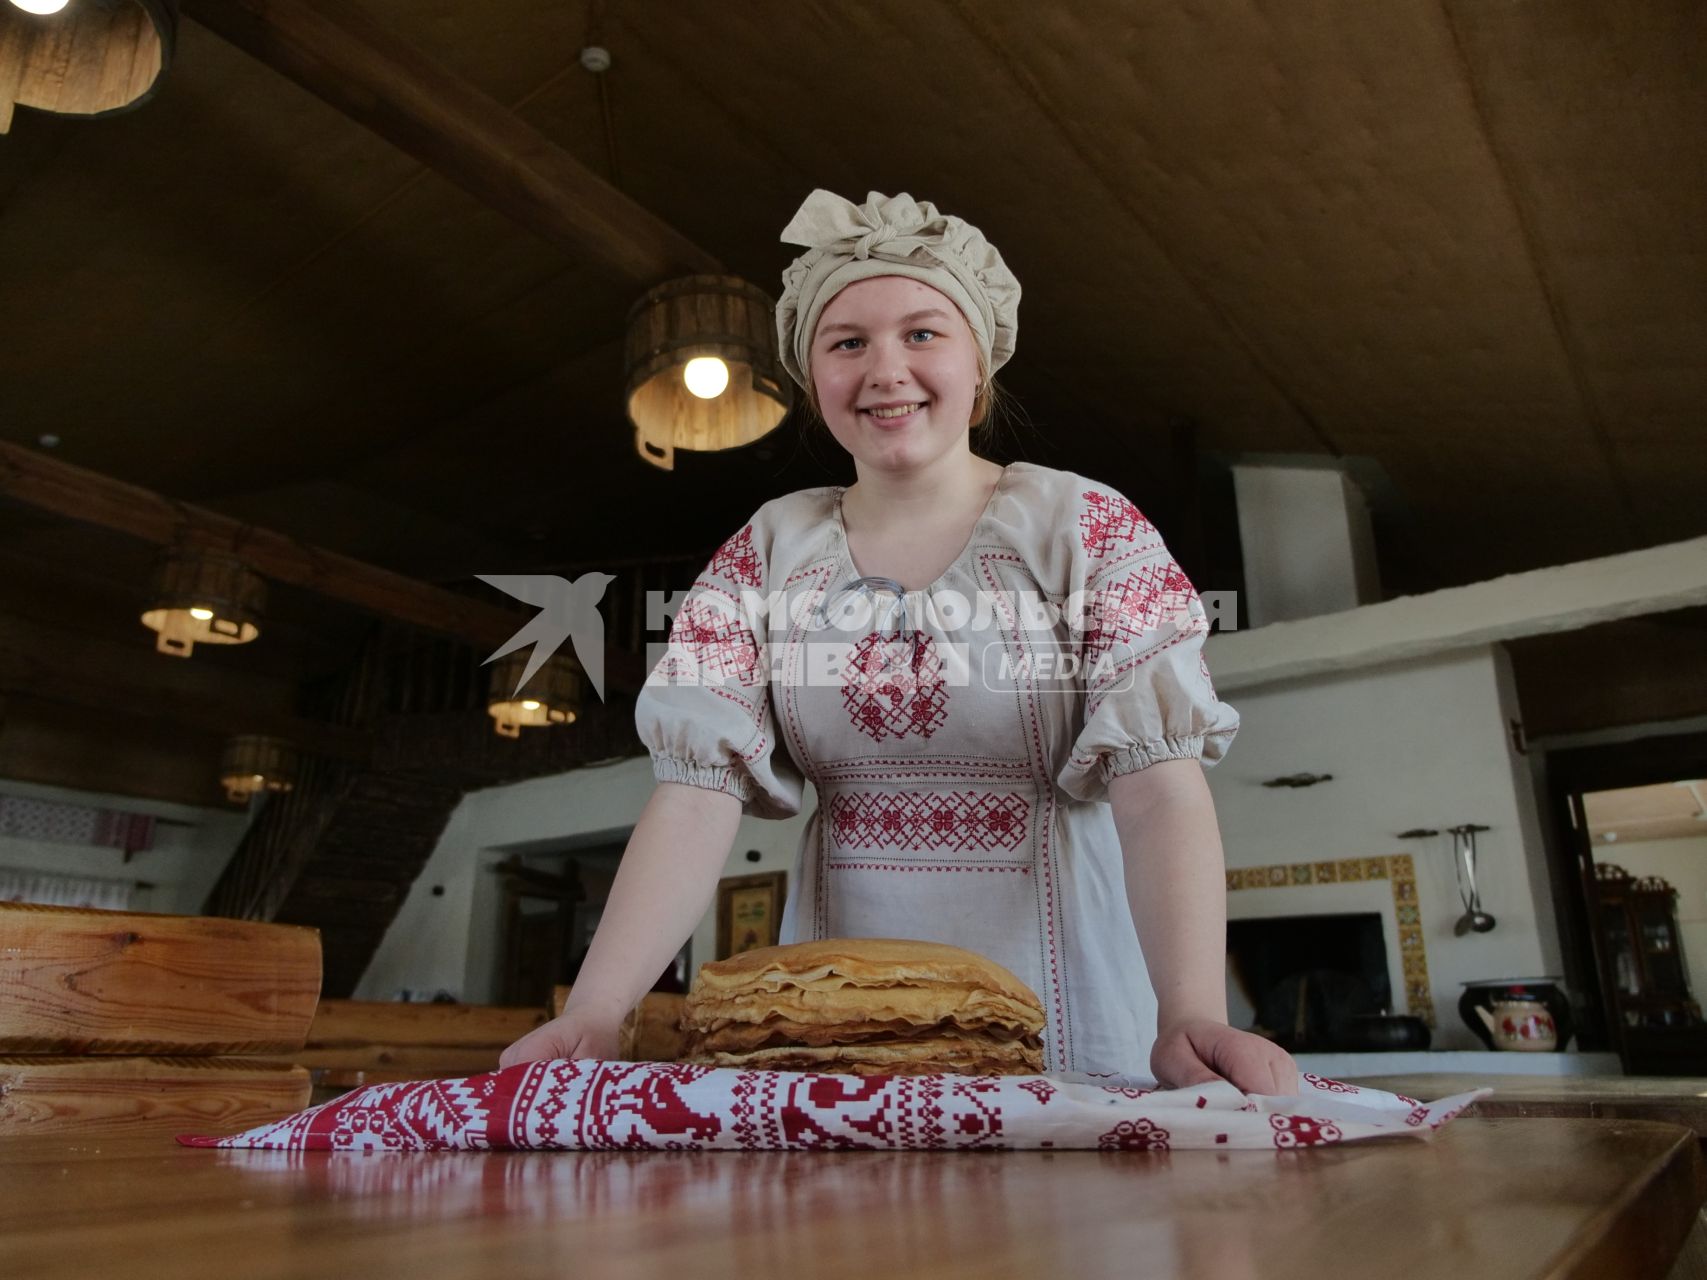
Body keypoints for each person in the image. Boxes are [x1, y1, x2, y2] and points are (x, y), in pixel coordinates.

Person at [502, 189, 1299, 1094]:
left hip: (1078, 1008)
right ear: (813, 377)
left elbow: (1158, 786)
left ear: (979, 364)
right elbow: (693, 796)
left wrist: (1190, 1012)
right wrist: (598, 1010)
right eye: (847, 342)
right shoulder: (762, 553)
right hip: (838, 1033)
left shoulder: (1088, 526)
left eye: (922, 333)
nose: (885, 369)